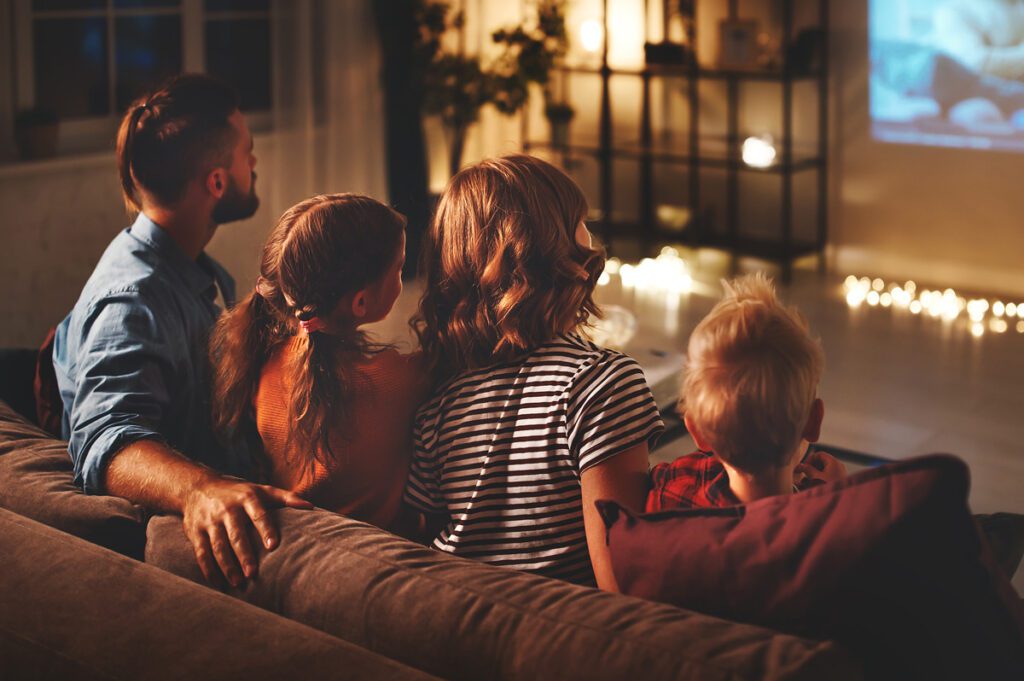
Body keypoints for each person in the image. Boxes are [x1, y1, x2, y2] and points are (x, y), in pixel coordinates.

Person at [53, 74, 311, 589]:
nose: (254, 165)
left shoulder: (186, 269)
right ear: (216, 182)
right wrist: (200, 490)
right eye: (247, 153)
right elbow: (106, 438)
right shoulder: (132, 300)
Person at [405, 154, 664, 590]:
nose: (591, 234)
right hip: (559, 630)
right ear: (555, 245)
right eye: (581, 220)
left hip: (457, 615)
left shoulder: (437, 399)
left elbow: (422, 534)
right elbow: (623, 581)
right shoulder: (602, 384)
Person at [209, 194, 428, 536]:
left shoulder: (262, 364)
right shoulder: (398, 380)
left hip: (300, 540)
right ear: (360, 302)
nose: (402, 275)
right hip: (378, 549)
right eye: (399, 268)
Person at [647, 273, 846, 512]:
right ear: (814, 421)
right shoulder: (824, 519)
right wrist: (838, 494)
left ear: (697, 432)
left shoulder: (673, 490)